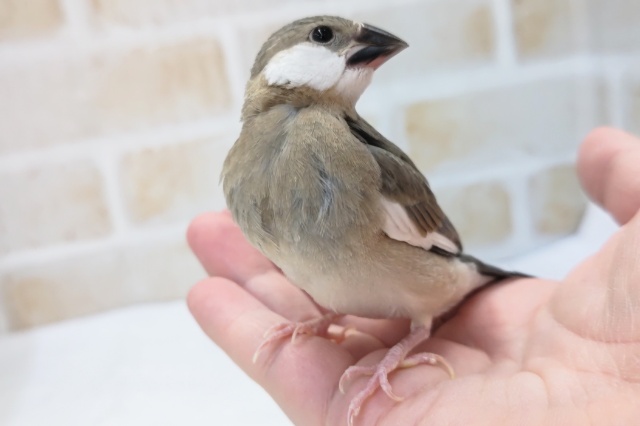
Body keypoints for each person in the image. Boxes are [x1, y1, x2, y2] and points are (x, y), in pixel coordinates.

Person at [186, 127, 640, 425]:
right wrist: (323, 317)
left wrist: (399, 351)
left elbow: (440, 244)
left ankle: (411, 334)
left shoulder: (369, 168)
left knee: (421, 317)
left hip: (438, 272)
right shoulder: (255, 169)